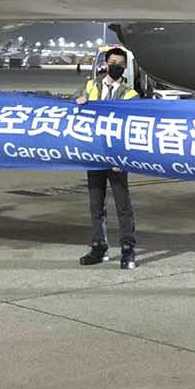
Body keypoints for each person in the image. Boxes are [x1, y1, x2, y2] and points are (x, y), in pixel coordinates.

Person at [75, 46, 139, 269]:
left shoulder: (130, 93)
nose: (116, 67)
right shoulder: (92, 87)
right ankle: (98, 247)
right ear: (105, 63)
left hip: (116, 156)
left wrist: (125, 157)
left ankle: (128, 250)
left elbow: (132, 124)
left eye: (121, 65)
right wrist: (81, 102)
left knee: (123, 206)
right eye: (113, 62)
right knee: (96, 205)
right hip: (94, 153)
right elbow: (82, 114)